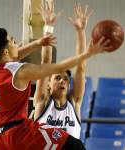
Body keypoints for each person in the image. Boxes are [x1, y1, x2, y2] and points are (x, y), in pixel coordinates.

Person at [0, 13, 109, 150]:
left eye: (66, 79)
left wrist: (39, 42)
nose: (16, 43)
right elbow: (54, 66)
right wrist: (89, 53)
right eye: (12, 41)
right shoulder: (22, 74)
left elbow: (16, 54)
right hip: (19, 134)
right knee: (76, 146)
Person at [33, 1, 92, 139]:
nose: (62, 81)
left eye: (66, 79)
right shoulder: (43, 100)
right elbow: (45, 62)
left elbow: (81, 67)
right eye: (57, 78)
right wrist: (48, 26)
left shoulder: (74, 102)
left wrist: (81, 31)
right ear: (48, 83)